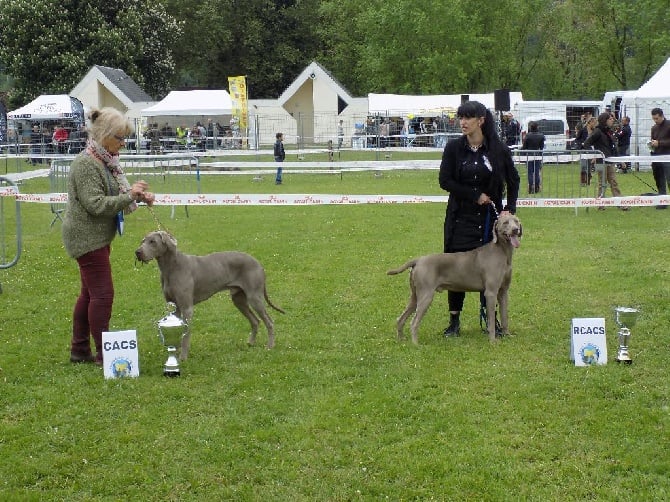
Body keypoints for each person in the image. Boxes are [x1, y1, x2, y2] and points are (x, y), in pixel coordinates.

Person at [62, 107, 155, 365]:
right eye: (120, 138)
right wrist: (129, 196)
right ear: (103, 134)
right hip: (86, 238)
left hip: (97, 237)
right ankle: (106, 355)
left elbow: (117, 197)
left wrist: (138, 197)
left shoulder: (106, 161)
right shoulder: (86, 164)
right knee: (103, 294)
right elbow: (96, 204)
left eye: (126, 138)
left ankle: (79, 350)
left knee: (89, 295)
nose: (123, 144)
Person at [438, 100, 520, 337]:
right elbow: (445, 181)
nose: (462, 122)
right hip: (460, 217)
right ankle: (454, 321)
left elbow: (513, 181)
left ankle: (490, 320)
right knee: (454, 267)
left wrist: (508, 209)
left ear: (481, 121)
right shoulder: (454, 148)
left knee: (490, 270)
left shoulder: (498, 150)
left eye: (467, 117)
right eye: (460, 117)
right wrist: (474, 194)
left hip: (488, 221)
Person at [583, 112, 628, 211]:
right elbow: (586, 143)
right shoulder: (597, 131)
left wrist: (620, 161)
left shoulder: (608, 131)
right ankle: (600, 204)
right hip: (601, 161)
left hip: (610, 161)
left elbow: (613, 148)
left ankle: (620, 203)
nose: (612, 120)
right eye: (610, 119)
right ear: (605, 120)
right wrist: (595, 154)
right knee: (602, 183)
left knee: (613, 182)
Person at [650, 107, 670, 209]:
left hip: (667, 157)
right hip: (656, 157)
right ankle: (663, 201)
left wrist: (660, 143)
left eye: (657, 118)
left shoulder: (669, 125)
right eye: (653, 119)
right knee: (659, 180)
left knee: (669, 179)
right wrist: (651, 144)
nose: (655, 121)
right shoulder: (654, 128)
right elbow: (653, 141)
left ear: (662, 116)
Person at [521, 120, 545, 193]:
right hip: (537, 155)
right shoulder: (541, 136)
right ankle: (537, 187)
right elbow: (542, 147)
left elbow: (524, 147)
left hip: (529, 155)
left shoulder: (527, 136)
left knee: (530, 172)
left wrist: (521, 151)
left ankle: (531, 186)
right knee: (537, 172)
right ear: (537, 127)